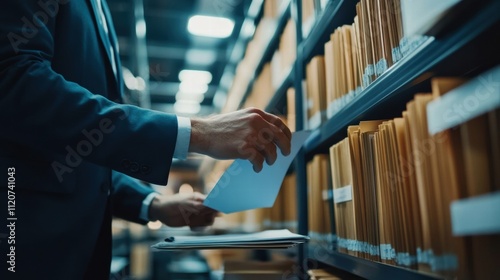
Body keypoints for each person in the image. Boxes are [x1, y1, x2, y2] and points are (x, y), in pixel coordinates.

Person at [0, 0, 292, 279]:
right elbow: (13, 82)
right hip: (25, 241)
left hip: (73, 247)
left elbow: (81, 150)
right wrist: (195, 133)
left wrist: (152, 204)